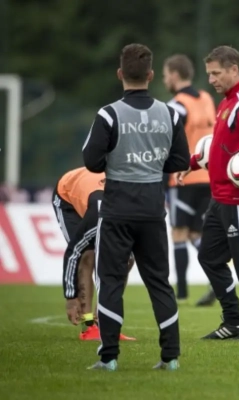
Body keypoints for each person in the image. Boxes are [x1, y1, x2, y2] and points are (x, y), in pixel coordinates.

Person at [82, 43, 190, 371]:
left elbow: (91, 161)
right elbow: (181, 160)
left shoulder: (108, 114)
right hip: (153, 208)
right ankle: (170, 357)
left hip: (117, 207)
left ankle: (109, 357)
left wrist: (121, 161)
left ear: (120, 74)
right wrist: (152, 164)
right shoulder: (170, 114)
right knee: (159, 282)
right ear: (151, 75)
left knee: (111, 281)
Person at [177, 45, 239, 342]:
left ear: (234, 69)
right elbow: (218, 147)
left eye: (216, 73)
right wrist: (192, 163)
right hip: (219, 199)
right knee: (209, 258)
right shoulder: (227, 102)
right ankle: (232, 320)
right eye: (209, 74)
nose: (211, 79)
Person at [52, 167, 135, 341]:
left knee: (126, 259)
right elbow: (74, 252)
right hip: (67, 196)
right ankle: (88, 325)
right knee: (87, 255)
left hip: (100, 198)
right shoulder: (100, 214)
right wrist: (70, 296)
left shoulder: (137, 209)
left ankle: (105, 322)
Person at [162, 54, 217, 307]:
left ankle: (181, 293)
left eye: (166, 75)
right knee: (197, 233)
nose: (165, 80)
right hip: (209, 176)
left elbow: (167, 142)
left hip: (183, 177)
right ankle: (217, 278)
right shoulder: (206, 98)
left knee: (179, 233)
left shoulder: (176, 105)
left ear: (174, 75)